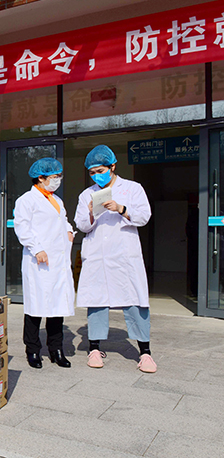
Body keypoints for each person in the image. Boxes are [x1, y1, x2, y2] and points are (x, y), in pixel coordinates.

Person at [74, 145, 156, 373]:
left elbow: (144, 217)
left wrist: (121, 208)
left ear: (112, 166)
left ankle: (145, 352)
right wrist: (92, 212)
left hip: (124, 255)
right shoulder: (86, 194)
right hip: (98, 256)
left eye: (100, 171)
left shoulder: (132, 188)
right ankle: (94, 348)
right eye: (92, 172)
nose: (96, 176)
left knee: (135, 299)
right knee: (97, 302)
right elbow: (81, 225)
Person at [13, 158, 75, 369]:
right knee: (36, 307)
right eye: (54, 177)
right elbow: (22, 227)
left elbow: (63, 220)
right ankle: (32, 350)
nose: (58, 180)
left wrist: (69, 230)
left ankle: (56, 349)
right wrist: (37, 248)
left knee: (57, 307)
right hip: (39, 260)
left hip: (58, 260)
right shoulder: (26, 200)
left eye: (59, 176)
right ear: (41, 178)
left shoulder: (57, 200)